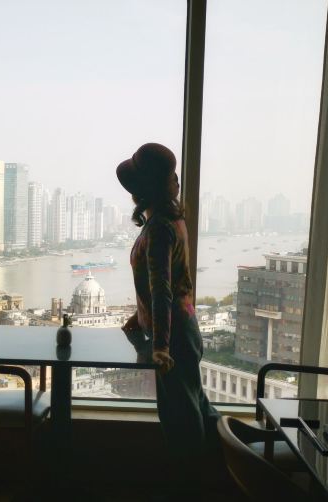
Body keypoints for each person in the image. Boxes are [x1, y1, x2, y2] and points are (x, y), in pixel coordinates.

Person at [117, 143, 219, 497]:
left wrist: (160, 347)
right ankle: (223, 470)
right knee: (194, 407)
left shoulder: (160, 228)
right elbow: (165, 283)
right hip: (179, 329)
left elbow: (162, 290)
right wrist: (139, 316)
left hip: (173, 335)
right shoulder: (166, 220)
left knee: (181, 420)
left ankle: (193, 487)